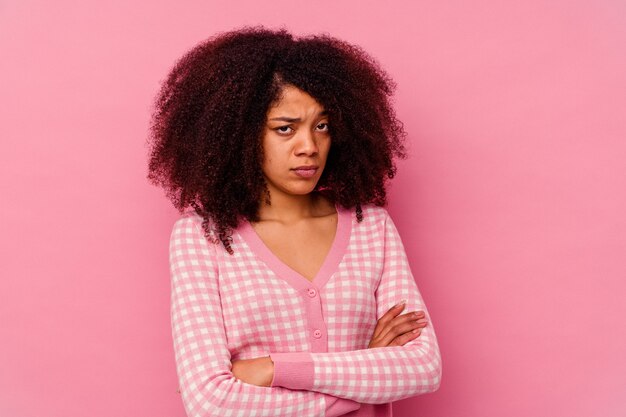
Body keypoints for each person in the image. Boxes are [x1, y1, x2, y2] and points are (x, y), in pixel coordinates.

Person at [146, 25, 442, 417]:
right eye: (285, 129)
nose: (310, 147)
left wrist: (275, 368)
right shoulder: (202, 237)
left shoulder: (371, 227)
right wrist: (366, 372)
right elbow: (210, 401)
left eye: (322, 126)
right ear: (241, 135)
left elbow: (423, 367)